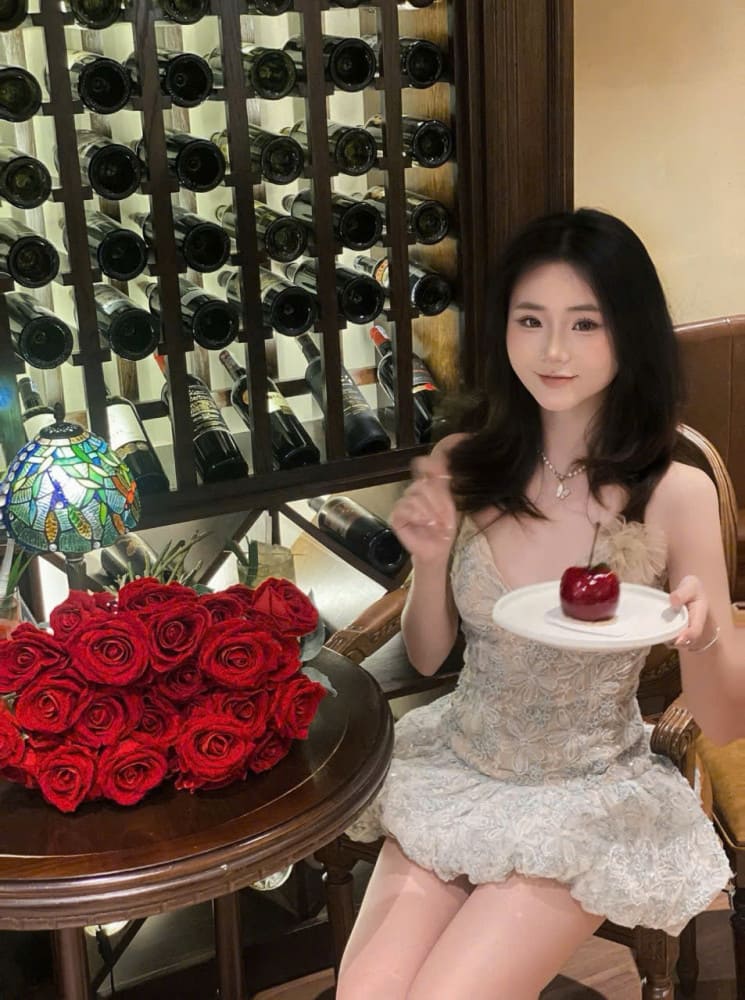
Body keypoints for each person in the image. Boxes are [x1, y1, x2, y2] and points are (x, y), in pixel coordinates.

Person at [335, 208, 743, 1000]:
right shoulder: (464, 461)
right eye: (531, 320)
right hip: (459, 762)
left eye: (584, 323)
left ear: (629, 333)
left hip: (583, 795)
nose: (553, 351)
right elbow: (427, 654)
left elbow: (722, 721)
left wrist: (701, 637)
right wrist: (428, 562)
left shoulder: (676, 492)